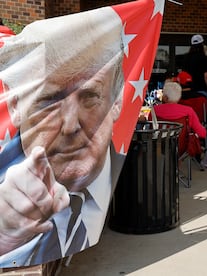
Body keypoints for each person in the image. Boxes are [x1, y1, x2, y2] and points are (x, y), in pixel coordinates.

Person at [0, 7, 125, 266]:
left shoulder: (127, 177)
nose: (70, 126)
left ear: (117, 100)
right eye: (47, 102)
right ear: (14, 107)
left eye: (89, 97)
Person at [182, 34, 207, 100]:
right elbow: (206, 75)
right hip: (201, 90)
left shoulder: (186, 57)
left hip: (188, 90)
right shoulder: (203, 57)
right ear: (202, 44)